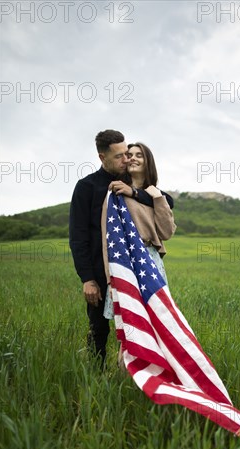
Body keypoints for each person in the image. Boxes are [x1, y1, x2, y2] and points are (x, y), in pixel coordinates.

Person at [69, 130, 174, 367]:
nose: (126, 160)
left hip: (133, 267)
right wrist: (87, 279)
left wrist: (134, 192)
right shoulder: (87, 187)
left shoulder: (131, 182)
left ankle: (135, 374)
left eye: (127, 154)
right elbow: (78, 238)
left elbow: (167, 200)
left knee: (138, 325)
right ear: (102, 157)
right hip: (100, 268)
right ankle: (95, 378)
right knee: (99, 328)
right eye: (119, 156)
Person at [102, 141, 176, 317]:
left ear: (148, 161)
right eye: (130, 155)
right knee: (129, 321)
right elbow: (107, 239)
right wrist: (110, 281)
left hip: (150, 260)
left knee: (157, 319)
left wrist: (158, 198)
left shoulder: (157, 196)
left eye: (139, 155)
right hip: (125, 260)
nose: (133, 158)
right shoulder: (116, 192)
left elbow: (166, 233)